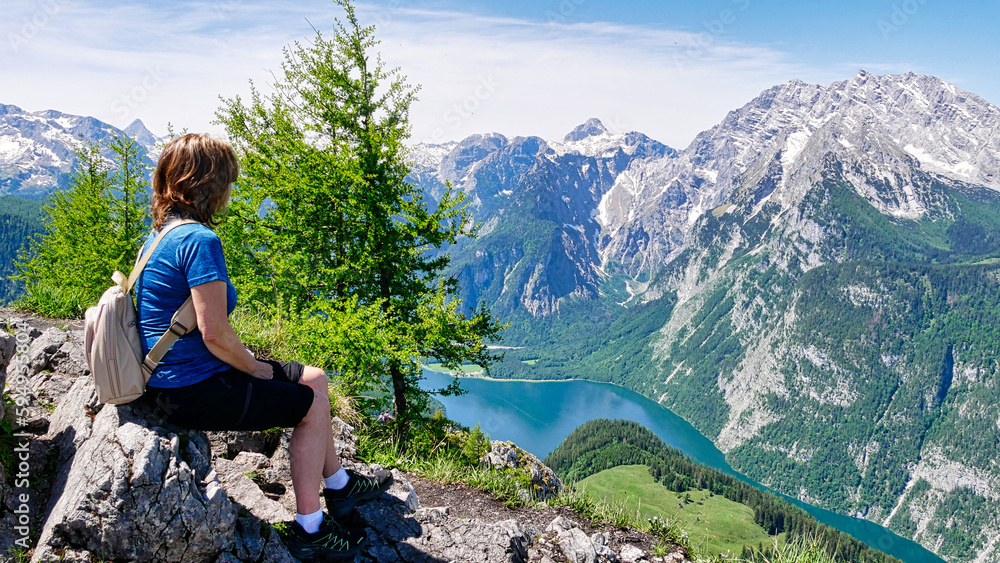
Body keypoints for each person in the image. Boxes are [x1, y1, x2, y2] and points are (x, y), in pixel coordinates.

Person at [135, 133, 391, 561]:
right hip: (189, 390)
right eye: (228, 182)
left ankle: (342, 488)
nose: (231, 192)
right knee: (309, 406)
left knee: (315, 379)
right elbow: (214, 333)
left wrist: (253, 364)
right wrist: (253, 367)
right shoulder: (200, 242)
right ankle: (312, 530)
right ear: (209, 185)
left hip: (169, 378)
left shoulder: (162, 234)